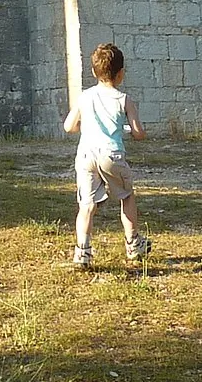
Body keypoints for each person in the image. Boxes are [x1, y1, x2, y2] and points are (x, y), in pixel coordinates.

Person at [62, 41, 149, 267]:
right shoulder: (124, 100)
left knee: (87, 204)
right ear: (121, 74)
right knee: (126, 196)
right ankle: (133, 243)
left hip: (86, 155)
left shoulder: (85, 97)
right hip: (112, 154)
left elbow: (69, 127)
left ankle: (83, 251)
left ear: (93, 71)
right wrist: (128, 129)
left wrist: (88, 126)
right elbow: (139, 133)